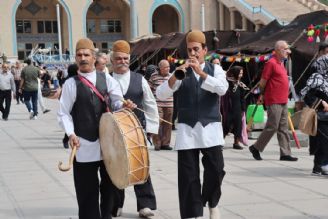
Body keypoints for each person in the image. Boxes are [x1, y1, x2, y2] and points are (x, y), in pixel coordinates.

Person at [57, 38, 135, 219]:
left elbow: (117, 101)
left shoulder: (106, 79)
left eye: (86, 54)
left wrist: (125, 105)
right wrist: (71, 134)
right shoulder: (70, 84)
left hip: (107, 144)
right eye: (79, 55)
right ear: (75, 58)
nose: (83, 58)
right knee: (86, 191)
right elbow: (63, 114)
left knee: (109, 188)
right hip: (83, 144)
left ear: (94, 57)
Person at [156, 30, 228, 219]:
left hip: (210, 129)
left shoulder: (216, 70)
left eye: (196, 49)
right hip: (187, 131)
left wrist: (202, 73)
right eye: (189, 50)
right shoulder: (181, 71)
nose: (193, 53)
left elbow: (222, 89)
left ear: (205, 50)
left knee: (217, 169)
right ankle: (192, 214)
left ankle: (211, 202)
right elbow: (161, 94)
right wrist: (175, 76)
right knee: (188, 177)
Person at [110, 40, 159, 218]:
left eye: (125, 58)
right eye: (119, 58)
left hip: (137, 131)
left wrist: (152, 128)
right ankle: (115, 205)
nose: (122, 61)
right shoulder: (105, 80)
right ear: (112, 60)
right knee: (114, 168)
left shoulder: (140, 80)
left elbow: (150, 104)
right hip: (113, 134)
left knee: (141, 166)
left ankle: (145, 205)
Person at [248, 40, 298, 161]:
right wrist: (262, 94)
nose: (288, 51)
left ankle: (285, 153)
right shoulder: (271, 63)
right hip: (274, 99)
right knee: (272, 126)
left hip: (283, 99)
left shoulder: (281, 63)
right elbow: (263, 82)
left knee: (283, 127)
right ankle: (256, 147)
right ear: (279, 49)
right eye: (286, 49)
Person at [300, 54, 328, 175]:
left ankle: (317, 167)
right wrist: (321, 102)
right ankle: (324, 165)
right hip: (320, 116)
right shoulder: (316, 77)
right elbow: (307, 95)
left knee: (322, 142)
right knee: (325, 140)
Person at [149, 59, 174, 151]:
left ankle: (165, 143)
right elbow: (149, 89)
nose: (168, 69)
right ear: (160, 68)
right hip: (157, 104)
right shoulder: (154, 76)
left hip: (169, 103)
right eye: (165, 67)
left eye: (168, 67)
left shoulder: (171, 76)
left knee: (168, 125)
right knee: (157, 123)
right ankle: (157, 143)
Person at [222, 66, 249, 150]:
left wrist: (243, 108)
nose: (241, 75)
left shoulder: (241, 84)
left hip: (238, 108)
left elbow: (242, 97)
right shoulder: (227, 82)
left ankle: (236, 142)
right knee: (226, 125)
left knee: (238, 126)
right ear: (235, 73)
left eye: (242, 73)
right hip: (229, 107)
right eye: (240, 73)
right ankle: (220, 142)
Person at [61, 63, 78, 149]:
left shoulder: (77, 79)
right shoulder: (69, 81)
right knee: (72, 124)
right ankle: (66, 139)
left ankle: (66, 139)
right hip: (71, 106)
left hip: (76, 105)